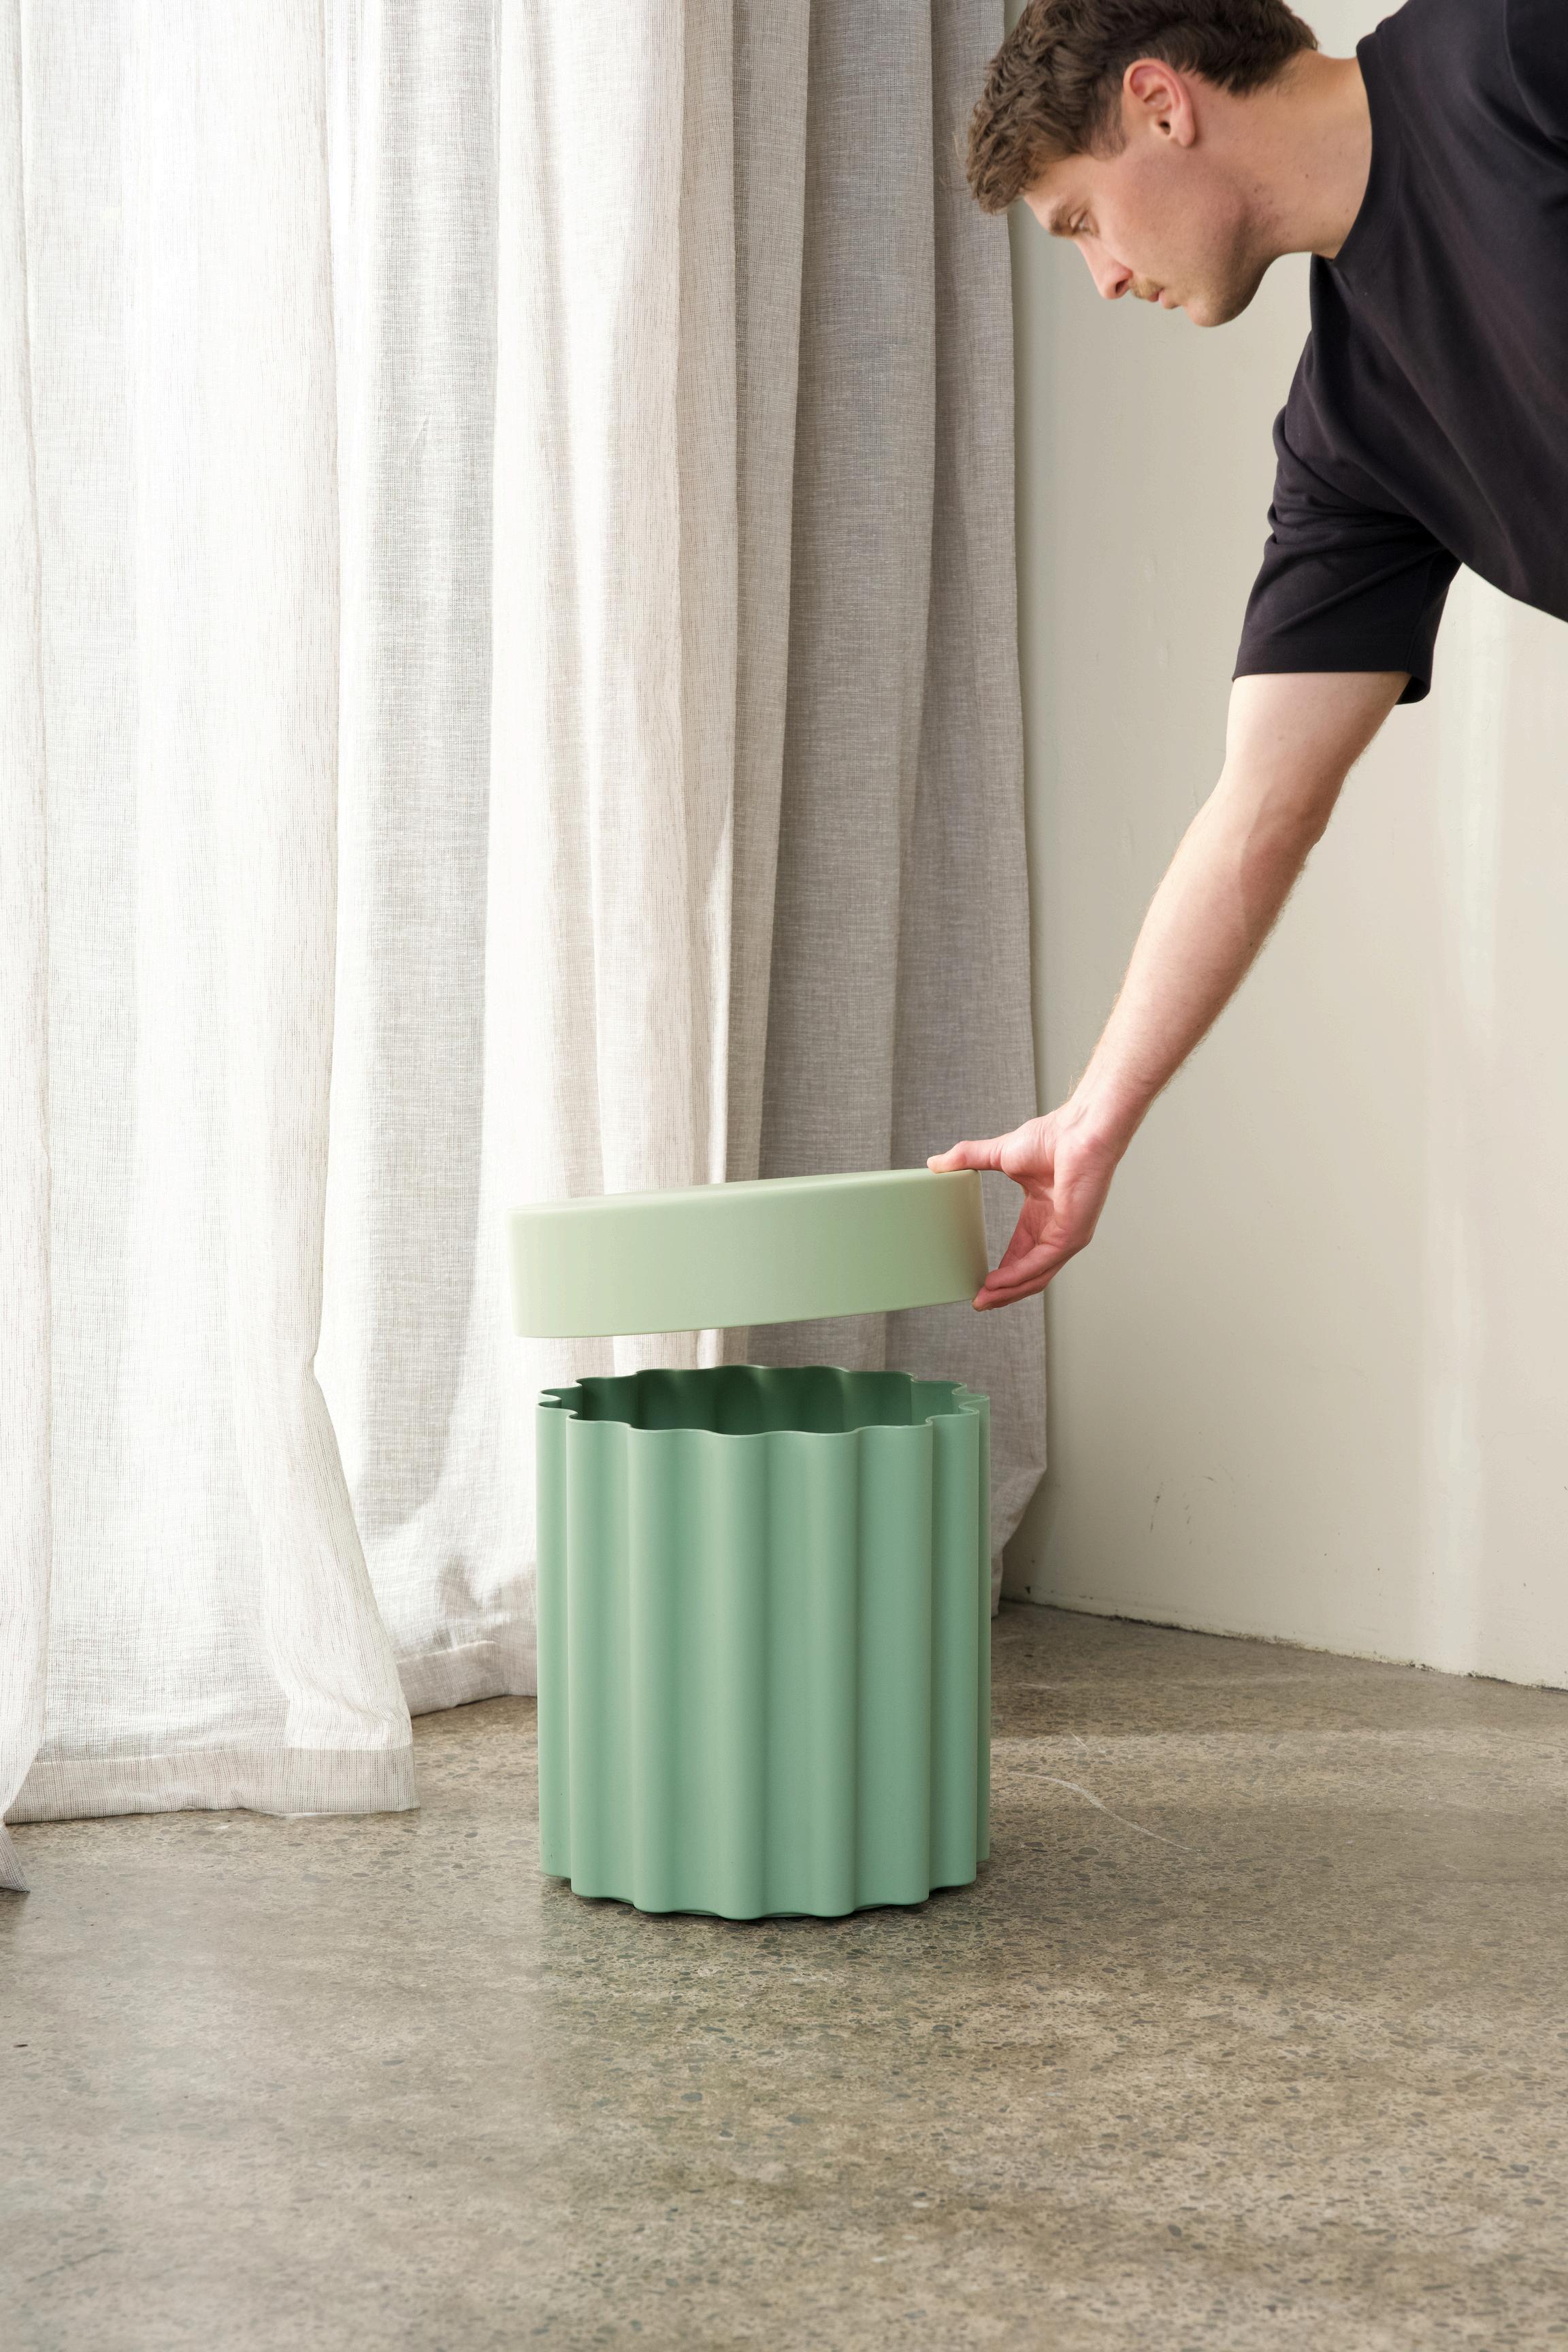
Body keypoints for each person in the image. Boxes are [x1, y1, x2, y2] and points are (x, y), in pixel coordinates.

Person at [931, 0, 1568, 1309]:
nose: (1106, 278)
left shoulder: (1510, 47)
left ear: (1162, 104)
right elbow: (1260, 808)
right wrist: (1095, 1117)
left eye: (1083, 221)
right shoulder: (1354, 438)